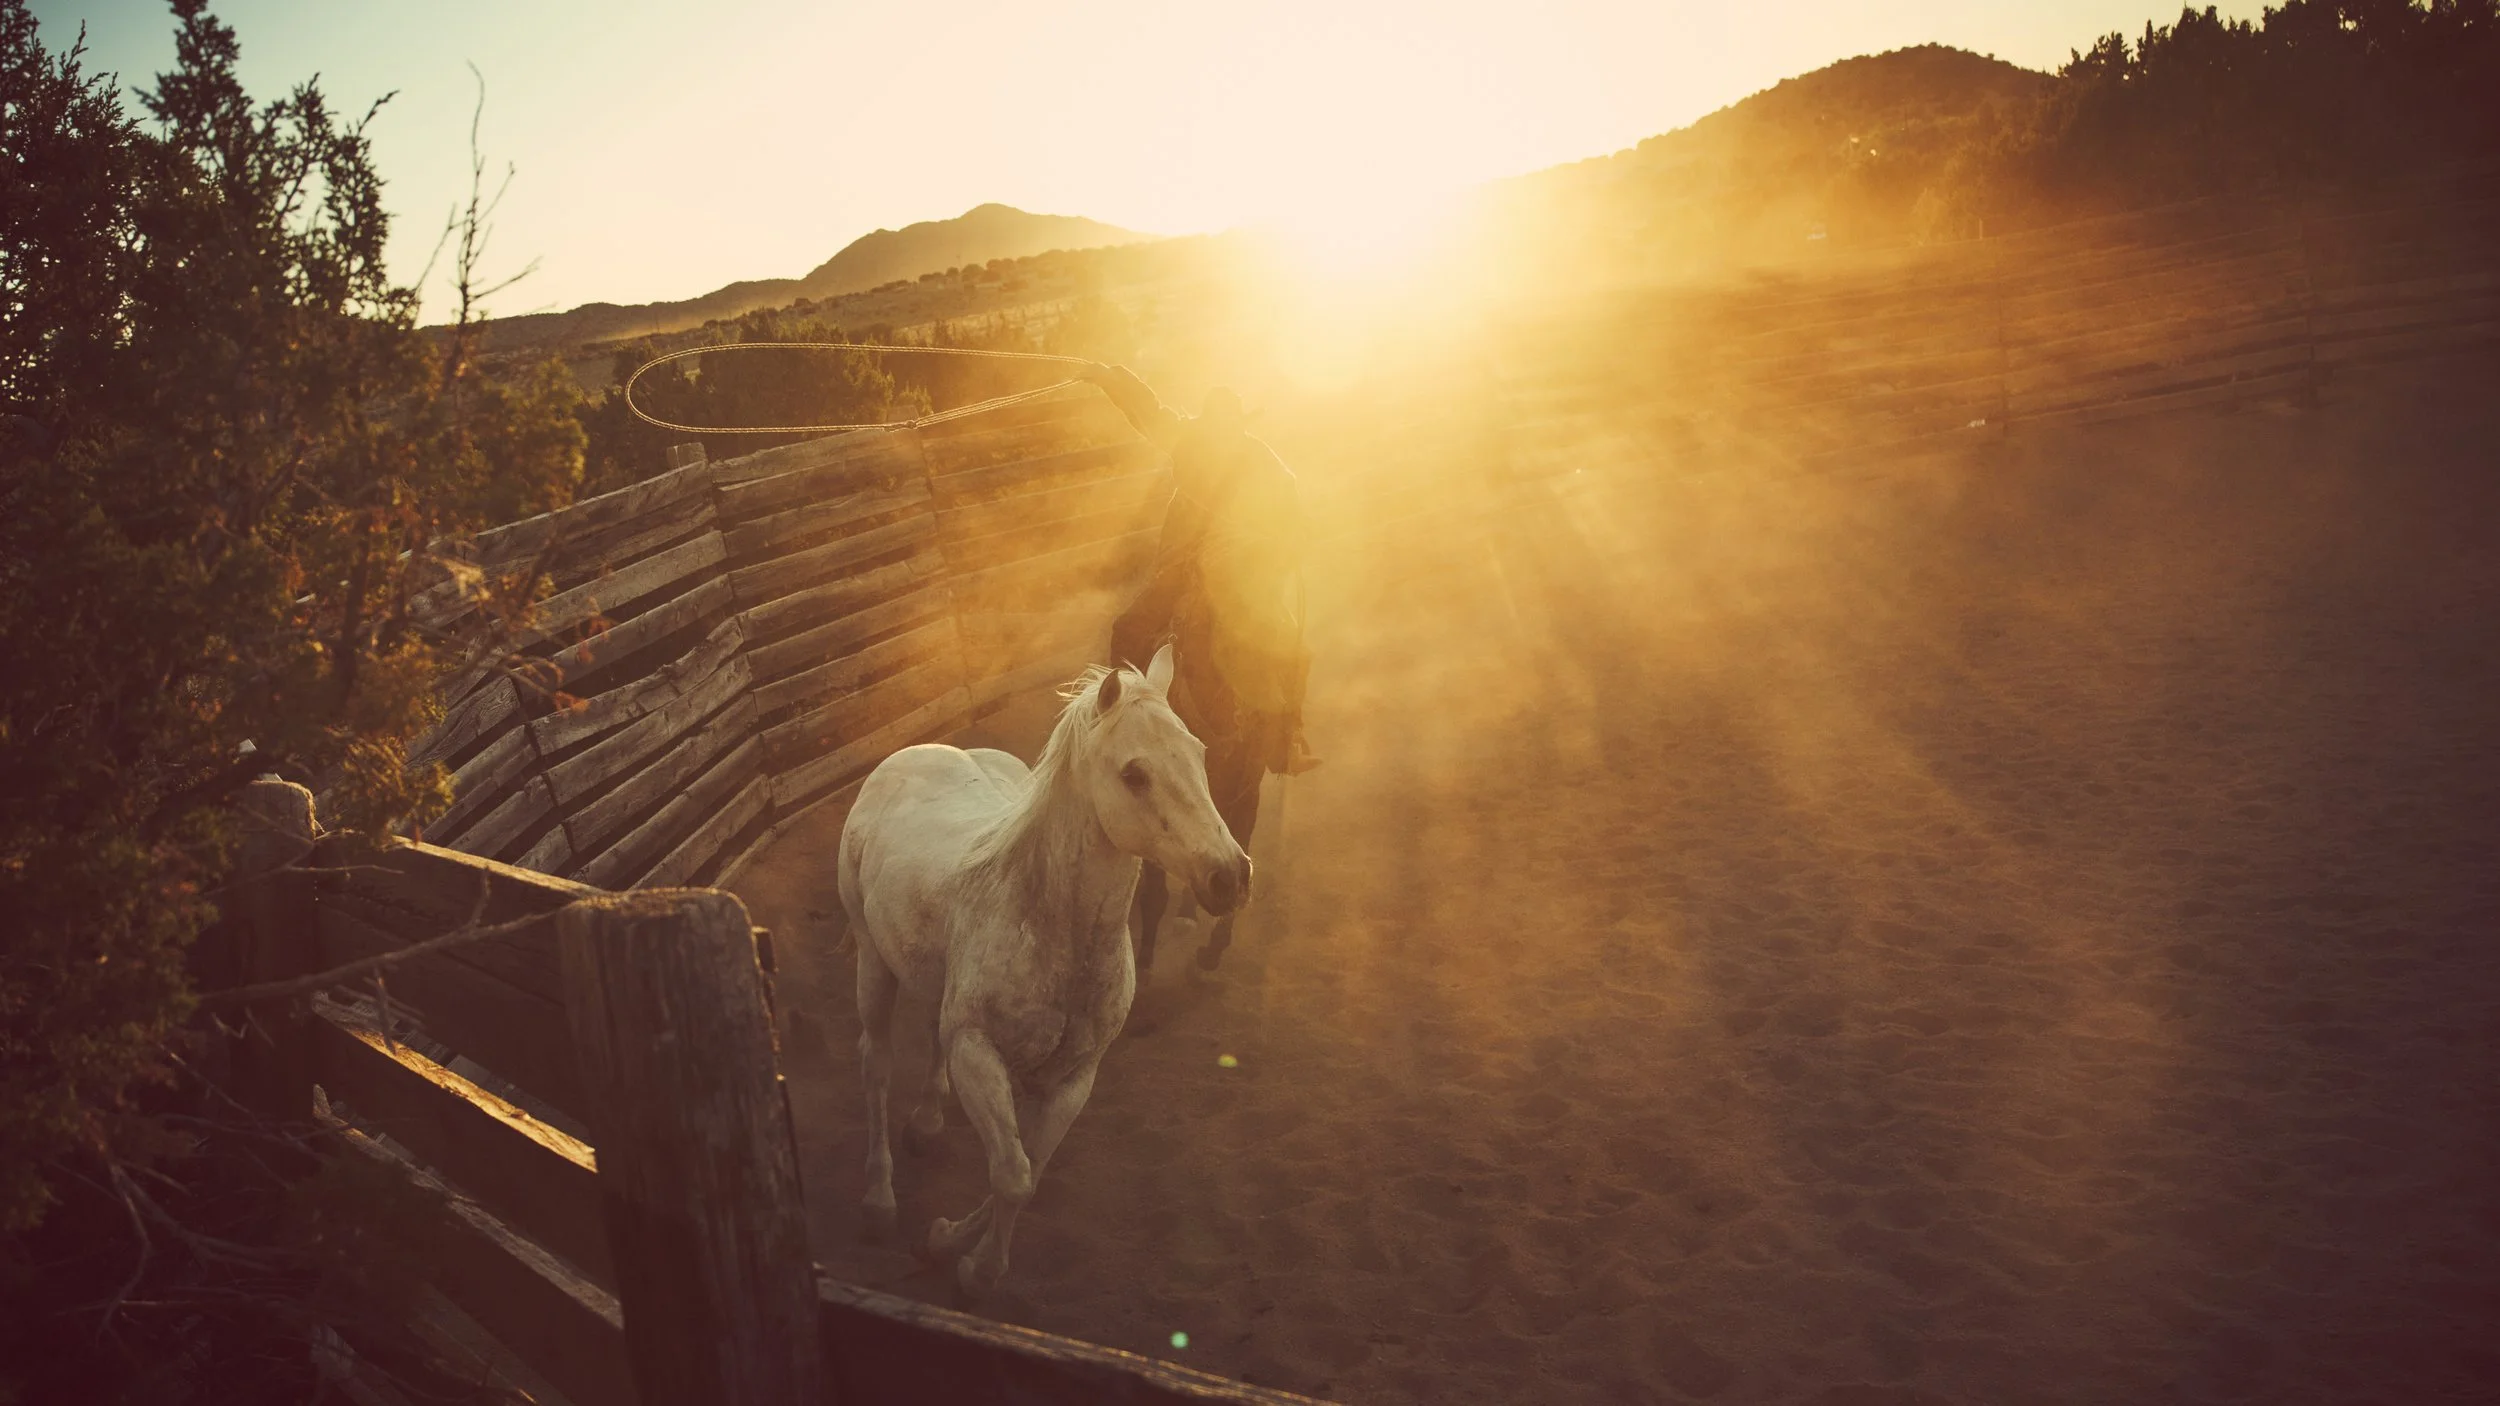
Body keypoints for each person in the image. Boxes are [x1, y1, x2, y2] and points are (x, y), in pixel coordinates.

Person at [1076, 364, 1319, 989]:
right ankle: (1113, 721)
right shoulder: (1189, 438)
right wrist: (1105, 374)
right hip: (1184, 566)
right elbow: (1143, 402)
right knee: (1129, 629)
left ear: (1235, 427)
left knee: (1285, 647)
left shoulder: (1265, 466)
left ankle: (1286, 733)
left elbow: (1292, 519)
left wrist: (1273, 547)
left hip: (1239, 571)